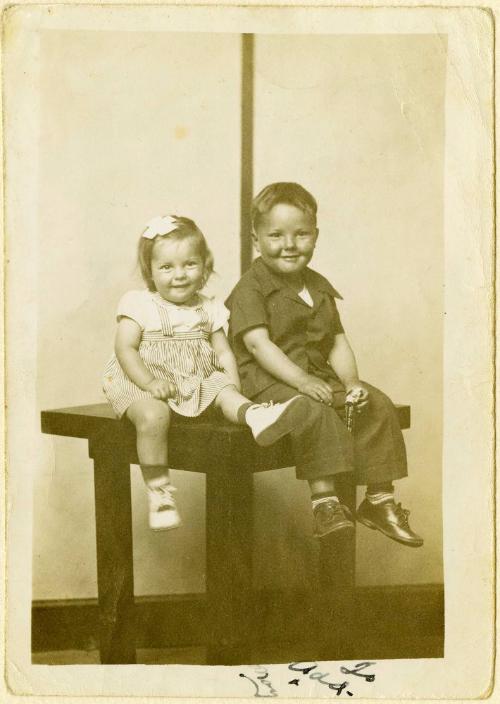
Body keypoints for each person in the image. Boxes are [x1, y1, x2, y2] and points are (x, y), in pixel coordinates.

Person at [225, 182, 423, 547]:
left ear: (315, 236)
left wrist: (351, 383)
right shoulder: (250, 288)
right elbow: (257, 344)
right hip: (267, 379)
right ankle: (325, 504)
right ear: (256, 240)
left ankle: (379, 500)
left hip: (314, 375)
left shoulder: (318, 286)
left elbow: (336, 340)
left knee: (376, 403)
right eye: (276, 235)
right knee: (312, 411)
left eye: (301, 234)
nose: (289, 244)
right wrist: (300, 381)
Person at [103, 214, 309, 531]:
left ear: (204, 266)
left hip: (191, 379)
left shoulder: (209, 307)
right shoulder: (139, 304)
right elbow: (125, 349)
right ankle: (159, 492)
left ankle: (256, 416)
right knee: (154, 416)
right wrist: (150, 381)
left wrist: (233, 385)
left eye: (189, 264)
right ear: (150, 271)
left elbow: (223, 351)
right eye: (167, 267)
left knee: (222, 389)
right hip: (142, 380)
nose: (180, 275)